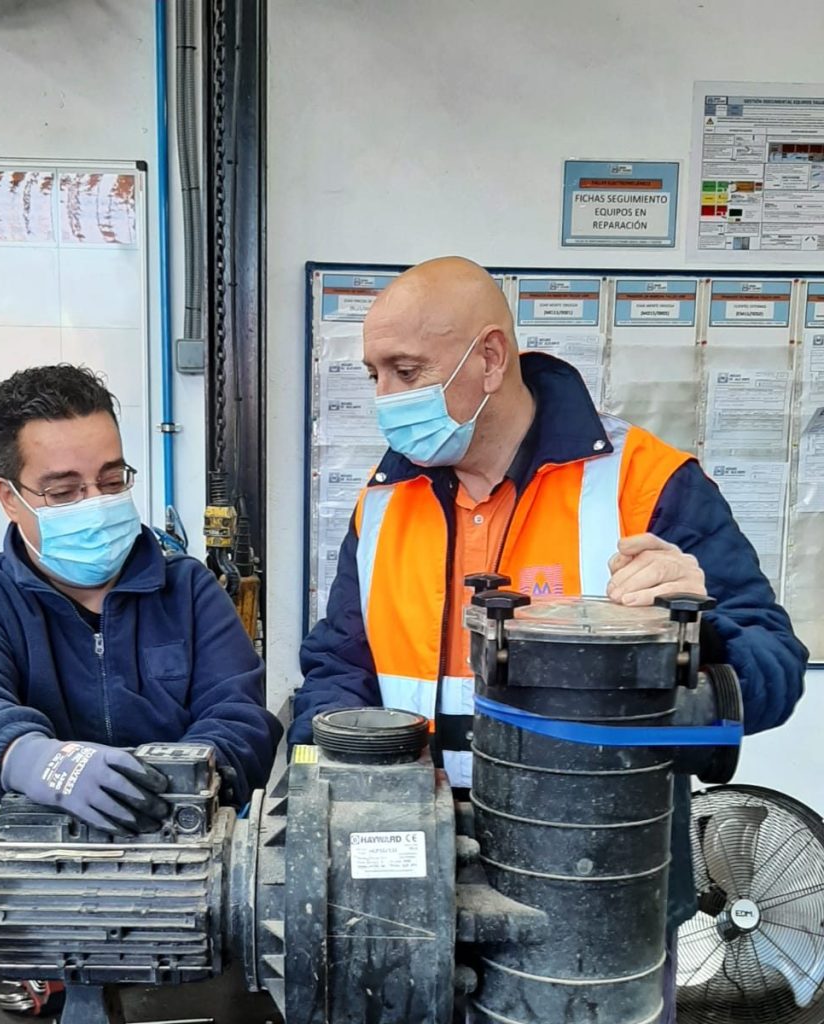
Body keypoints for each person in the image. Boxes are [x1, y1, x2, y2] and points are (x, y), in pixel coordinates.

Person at [290, 257, 807, 1023]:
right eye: (373, 374)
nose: (385, 400)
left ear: (490, 358)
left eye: (405, 370)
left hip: (596, 909)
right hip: (407, 889)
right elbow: (338, 668)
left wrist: (700, 628)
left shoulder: (646, 485)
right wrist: (326, 785)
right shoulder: (382, 500)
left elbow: (776, 675)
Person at [0, 364, 282, 965]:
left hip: (179, 911)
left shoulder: (189, 592)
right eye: (64, 491)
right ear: (10, 496)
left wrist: (172, 787)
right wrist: (35, 760)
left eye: (111, 480)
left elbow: (239, 719)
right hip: (10, 916)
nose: (97, 503)